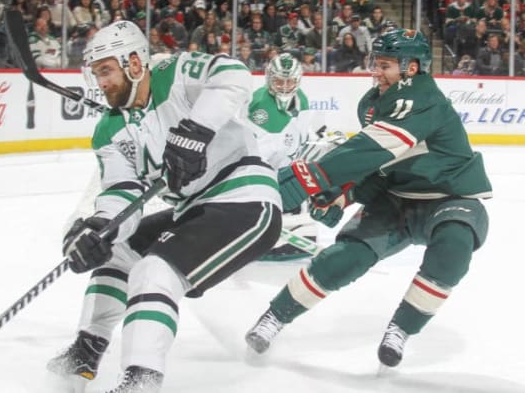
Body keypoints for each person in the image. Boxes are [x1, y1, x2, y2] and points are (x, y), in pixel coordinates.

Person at [47, 20, 283, 393]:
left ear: (135, 64)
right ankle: (86, 349)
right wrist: (99, 228)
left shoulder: (172, 73)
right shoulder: (110, 129)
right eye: (97, 74)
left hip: (246, 199)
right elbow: (121, 192)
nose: (101, 82)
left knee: (154, 271)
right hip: (193, 209)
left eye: (106, 70)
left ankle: (141, 381)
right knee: (117, 252)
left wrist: (196, 129)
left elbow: (234, 74)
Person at [244, 29, 492, 368]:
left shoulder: (423, 96)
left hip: (450, 196)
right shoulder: (372, 104)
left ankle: (401, 329)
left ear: (412, 68)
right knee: (344, 258)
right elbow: (378, 163)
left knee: (454, 247)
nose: (376, 70)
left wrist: (310, 175)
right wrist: (341, 198)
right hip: (395, 198)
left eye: (386, 64)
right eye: (376, 62)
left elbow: (373, 146)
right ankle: (275, 316)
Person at [248, 53, 345, 260]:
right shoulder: (259, 104)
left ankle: (297, 233)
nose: (284, 86)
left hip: (284, 164)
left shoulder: (301, 99)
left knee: (303, 184)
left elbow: (298, 135)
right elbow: (248, 146)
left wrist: (323, 138)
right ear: (269, 79)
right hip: (259, 170)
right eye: (279, 81)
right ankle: (260, 234)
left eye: (289, 81)